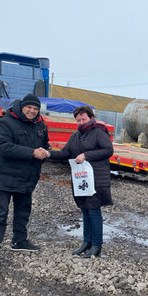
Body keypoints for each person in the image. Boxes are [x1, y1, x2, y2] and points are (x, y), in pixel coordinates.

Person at [0, 94, 50, 267]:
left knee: (23, 212)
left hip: (27, 178)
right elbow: (4, 147)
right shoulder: (6, 122)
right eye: (29, 107)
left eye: (35, 109)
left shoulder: (40, 125)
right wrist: (32, 153)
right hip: (4, 178)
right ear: (22, 107)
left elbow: (45, 145)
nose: (32, 111)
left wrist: (45, 153)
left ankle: (19, 240)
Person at [48, 106, 113, 258]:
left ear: (91, 117)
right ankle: (86, 242)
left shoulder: (99, 131)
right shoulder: (75, 135)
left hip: (96, 177)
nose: (81, 122)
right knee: (84, 209)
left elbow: (108, 150)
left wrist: (86, 155)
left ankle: (96, 245)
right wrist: (48, 153)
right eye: (78, 120)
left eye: (84, 119)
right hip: (81, 179)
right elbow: (65, 153)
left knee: (94, 210)